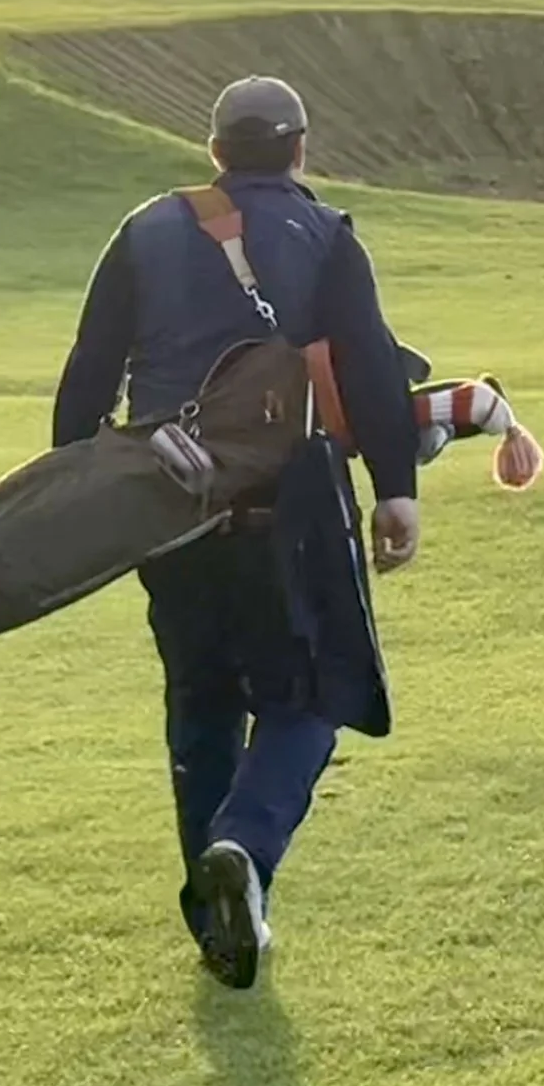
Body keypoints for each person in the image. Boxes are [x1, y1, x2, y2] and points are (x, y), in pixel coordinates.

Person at [52, 75, 423, 989]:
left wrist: (77, 490)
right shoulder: (325, 233)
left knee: (201, 701)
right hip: (284, 514)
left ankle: (218, 930)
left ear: (215, 150)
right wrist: (396, 490)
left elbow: (87, 376)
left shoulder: (145, 228)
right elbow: (370, 365)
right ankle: (243, 846)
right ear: (300, 148)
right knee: (310, 694)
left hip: (164, 511)